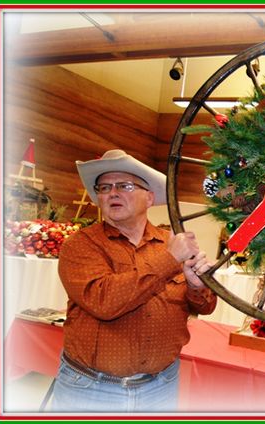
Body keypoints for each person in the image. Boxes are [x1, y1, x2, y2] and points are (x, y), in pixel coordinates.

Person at [51, 149, 216, 412]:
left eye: (125, 185)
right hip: (92, 390)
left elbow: (205, 307)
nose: (112, 193)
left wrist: (197, 286)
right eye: (104, 187)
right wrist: (169, 260)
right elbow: (104, 301)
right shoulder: (81, 245)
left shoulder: (171, 243)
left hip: (161, 386)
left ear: (149, 198)